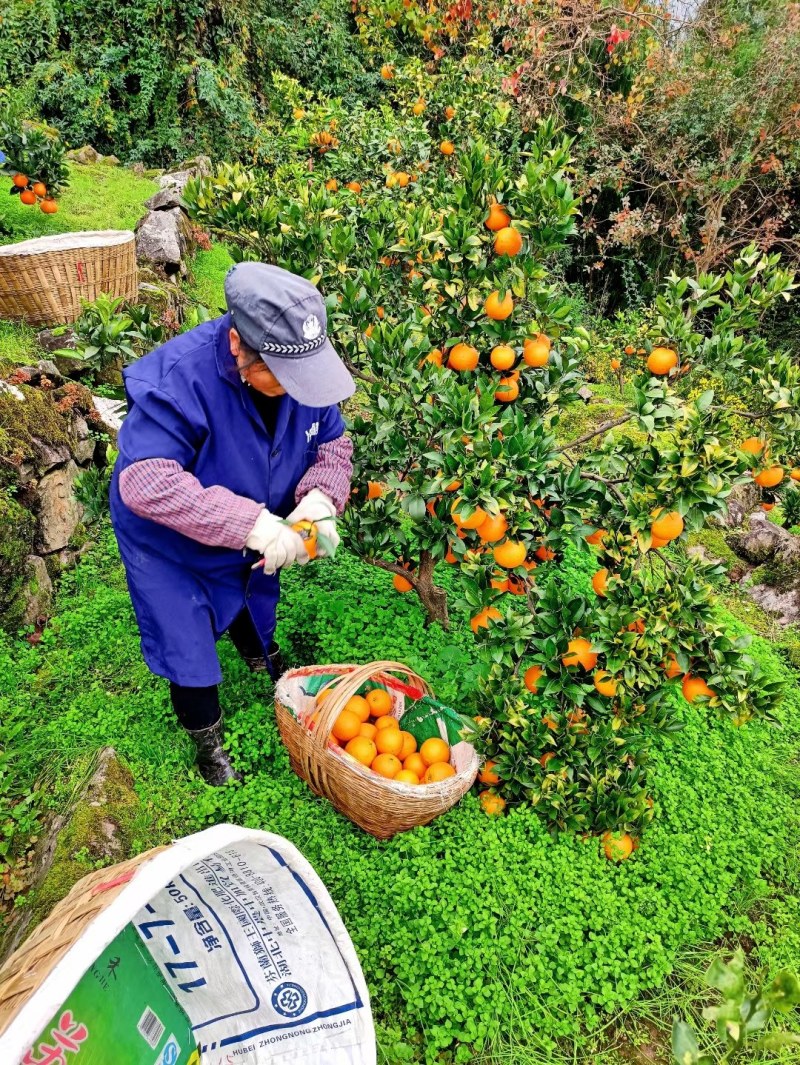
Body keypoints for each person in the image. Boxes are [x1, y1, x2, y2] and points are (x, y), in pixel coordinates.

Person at [110, 263, 355, 785]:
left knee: (250, 583)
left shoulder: (300, 369)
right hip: (166, 537)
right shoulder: (182, 379)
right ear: (240, 344)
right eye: (282, 379)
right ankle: (209, 745)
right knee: (186, 637)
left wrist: (319, 498)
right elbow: (146, 481)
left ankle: (257, 651)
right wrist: (252, 523)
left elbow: (333, 443)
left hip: (251, 511)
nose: (296, 390)